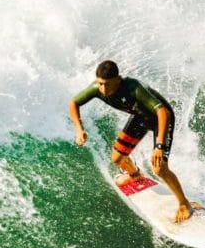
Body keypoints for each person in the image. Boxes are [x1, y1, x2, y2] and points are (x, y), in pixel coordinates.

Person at [68, 60, 193, 222]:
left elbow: (162, 111)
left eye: (107, 84)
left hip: (161, 119)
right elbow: (74, 103)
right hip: (141, 117)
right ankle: (135, 174)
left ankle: (184, 204)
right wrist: (79, 129)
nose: (103, 89)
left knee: (159, 168)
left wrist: (160, 146)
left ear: (118, 79)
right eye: (100, 84)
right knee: (117, 159)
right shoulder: (96, 89)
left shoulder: (133, 88)